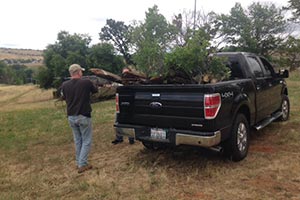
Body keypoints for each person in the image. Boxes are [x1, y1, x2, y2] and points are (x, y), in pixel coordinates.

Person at [61, 64, 98, 173]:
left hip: (71, 116)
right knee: (86, 140)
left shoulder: (64, 84)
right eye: (81, 71)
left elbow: (63, 96)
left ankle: (79, 162)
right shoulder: (86, 82)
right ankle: (82, 164)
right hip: (83, 115)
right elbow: (95, 91)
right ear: (78, 72)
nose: (82, 73)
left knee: (78, 140)